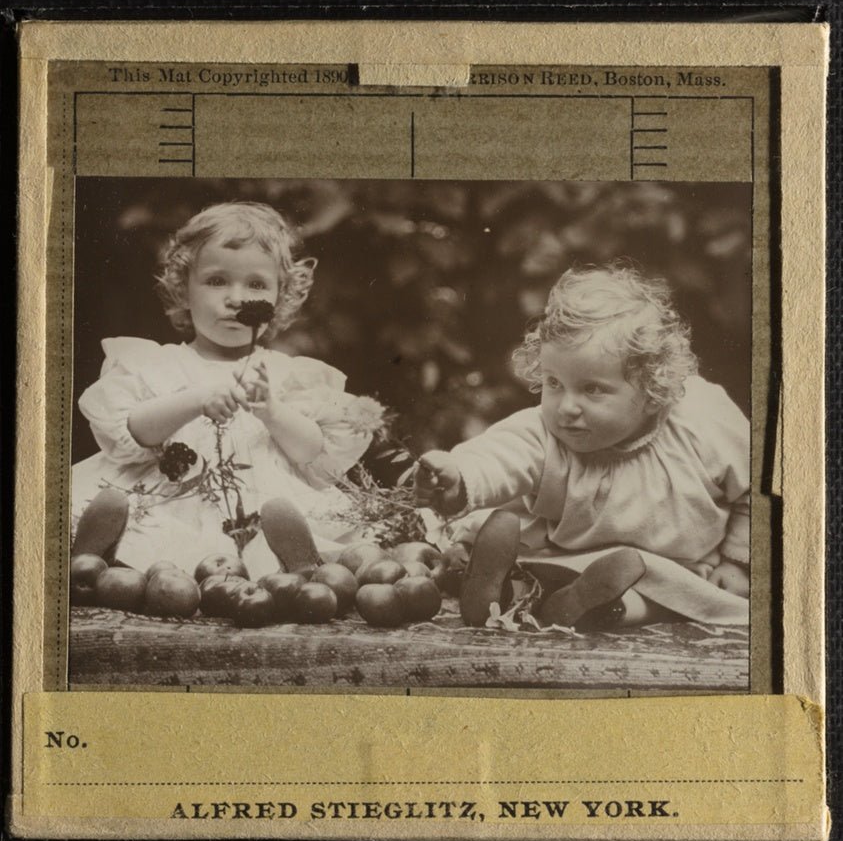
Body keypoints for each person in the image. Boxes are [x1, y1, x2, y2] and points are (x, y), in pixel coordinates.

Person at [415, 264, 750, 630]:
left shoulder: (703, 422)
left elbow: (756, 490)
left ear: (654, 392)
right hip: (563, 557)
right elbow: (501, 454)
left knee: (671, 597)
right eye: (554, 383)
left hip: (675, 568)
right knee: (534, 566)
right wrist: (459, 477)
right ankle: (500, 591)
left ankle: (588, 606)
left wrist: (737, 561)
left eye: (592, 389)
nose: (566, 407)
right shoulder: (547, 433)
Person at [71, 201, 383, 579]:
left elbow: (314, 455)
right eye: (217, 280)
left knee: (280, 520)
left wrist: (272, 411)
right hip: (172, 501)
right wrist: (195, 400)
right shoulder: (154, 364)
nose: (236, 298)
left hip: (258, 508)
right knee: (143, 528)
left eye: (256, 284)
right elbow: (129, 436)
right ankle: (97, 557)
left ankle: (298, 566)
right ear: (184, 291)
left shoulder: (289, 376)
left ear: (278, 299)